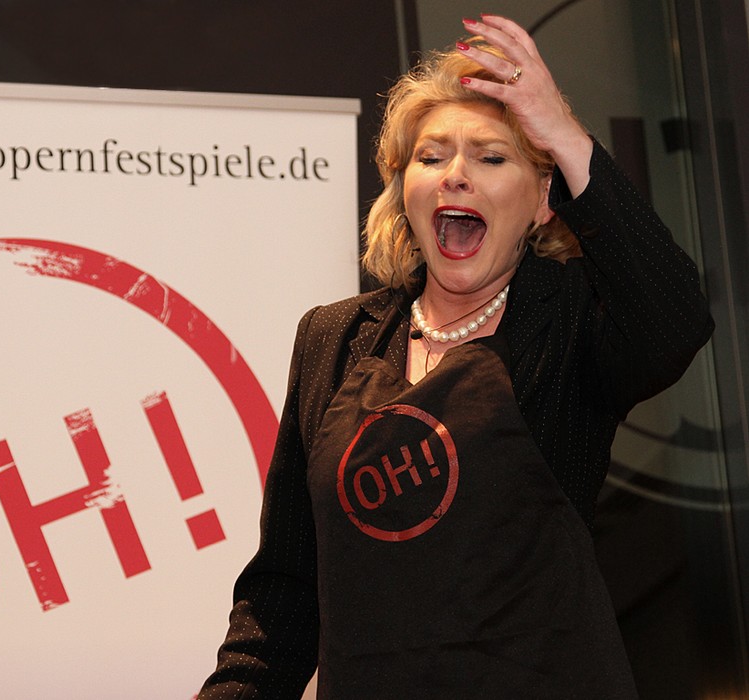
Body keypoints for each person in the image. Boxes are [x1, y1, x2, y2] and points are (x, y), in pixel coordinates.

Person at [199, 14, 714, 699]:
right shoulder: (333, 337)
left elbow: (676, 320)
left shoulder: (571, 323)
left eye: (491, 158)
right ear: (403, 190)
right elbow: (285, 594)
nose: (456, 177)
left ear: (542, 201)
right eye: (431, 156)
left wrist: (562, 133)